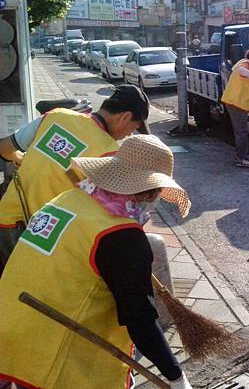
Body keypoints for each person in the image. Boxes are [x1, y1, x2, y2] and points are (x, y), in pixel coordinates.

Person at [0, 135, 192, 389]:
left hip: (10, 326)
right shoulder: (121, 236)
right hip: (50, 347)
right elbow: (139, 318)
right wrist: (176, 377)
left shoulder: (67, 199)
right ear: (150, 191)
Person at [0, 84, 150, 277]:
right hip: (41, 237)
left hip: (6, 216)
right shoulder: (109, 154)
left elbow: (4, 148)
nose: (129, 134)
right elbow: (107, 213)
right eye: (134, 128)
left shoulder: (55, 116)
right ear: (125, 117)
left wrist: (20, 158)